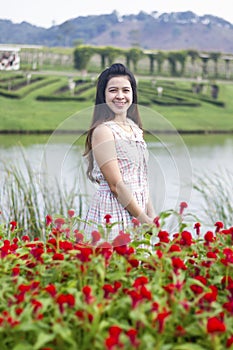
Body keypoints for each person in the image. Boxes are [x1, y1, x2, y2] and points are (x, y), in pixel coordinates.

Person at [83, 63, 155, 240]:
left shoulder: (135, 129)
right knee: (116, 265)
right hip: (113, 213)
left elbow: (142, 180)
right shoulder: (103, 131)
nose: (120, 96)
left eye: (126, 90)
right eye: (113, 90)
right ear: (104, 95)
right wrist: (143, 219)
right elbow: (116, 185)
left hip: (137, 212)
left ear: (132, 94)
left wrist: (152, 215)